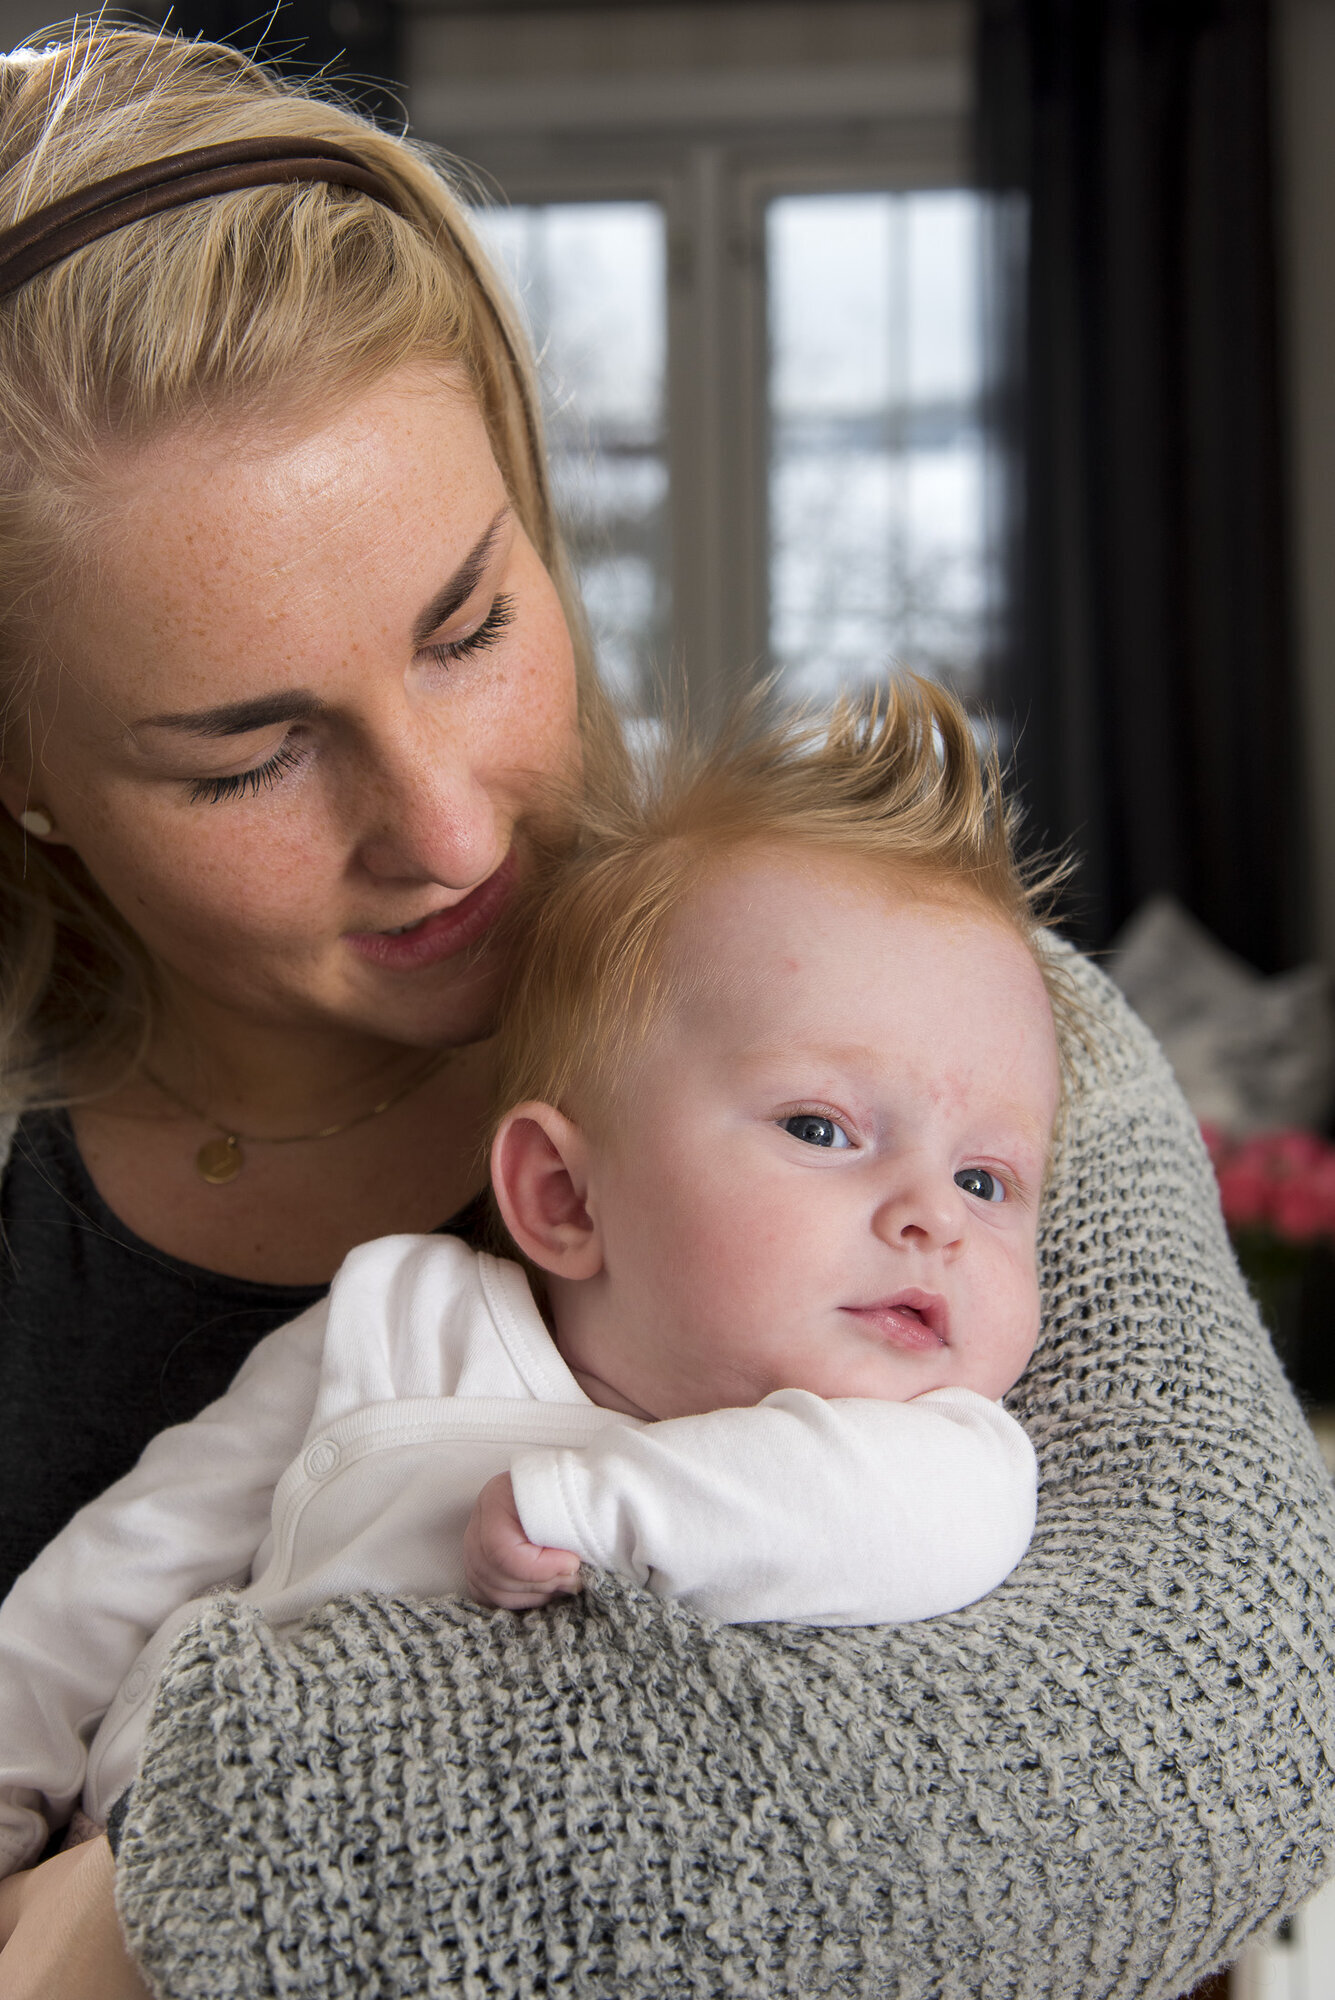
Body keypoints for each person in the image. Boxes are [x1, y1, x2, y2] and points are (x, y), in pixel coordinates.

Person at [0, 25, 1331, 2000]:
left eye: (469, 623)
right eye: (247, 755)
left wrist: (157, 1901)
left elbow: (1211, 1728)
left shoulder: (935, 1027)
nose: (444, 827)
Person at [0, 684, 1058, 1868]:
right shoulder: (402, 1314)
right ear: (563, 1195)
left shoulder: (942, 1453)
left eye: (988, 1179)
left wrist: (607, 1510)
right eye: (821, 1129)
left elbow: (932, 1524)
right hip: (128, 1830)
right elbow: (137, 1549)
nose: (932, 1218)